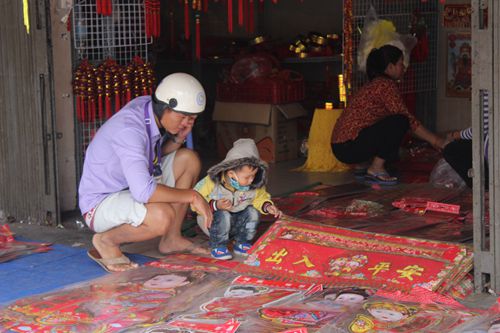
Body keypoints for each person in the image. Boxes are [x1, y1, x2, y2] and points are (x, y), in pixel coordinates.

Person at [78, 72, 213, 272]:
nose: (186, 123)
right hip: (101, 203)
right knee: (161, 216)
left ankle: (171, 239)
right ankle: (106, 241)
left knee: (188, 159)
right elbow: (144, 192)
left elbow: (151, 158)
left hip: (132, 187)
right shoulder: (130, 130)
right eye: (182, 117)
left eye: (191, 118)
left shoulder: (147, 107)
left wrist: (177, 138)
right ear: (164, 107)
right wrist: (193, 197)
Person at [331, 45, 445, 185]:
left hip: (340, 146)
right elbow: (408, 120)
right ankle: (376, 168)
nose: (404, 67)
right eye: (400, 63)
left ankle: (362, 165)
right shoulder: (385, 85)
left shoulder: (374, 84)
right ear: (390, 67)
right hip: (349, 147)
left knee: (389, 123)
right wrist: (436, 140)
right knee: (400, 121)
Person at [193, 138, 282, 260]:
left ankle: (242, 242)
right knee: (223, 214)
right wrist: (216, 205)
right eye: (247, 177)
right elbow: (195, 200)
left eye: (253, 176)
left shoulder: (253, 185)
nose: (251, 180)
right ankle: (218, 246)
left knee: (252, 212)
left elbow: (260, 198)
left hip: (236, 224)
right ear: (231, 174)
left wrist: (267, 206)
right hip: (213, 223)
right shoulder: (211, 182)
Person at [443, 92, 489, 188]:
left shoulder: (486, 86)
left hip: (493, 153)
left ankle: (483, 186)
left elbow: (481, 128)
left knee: (451, 150)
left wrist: (456, 135)